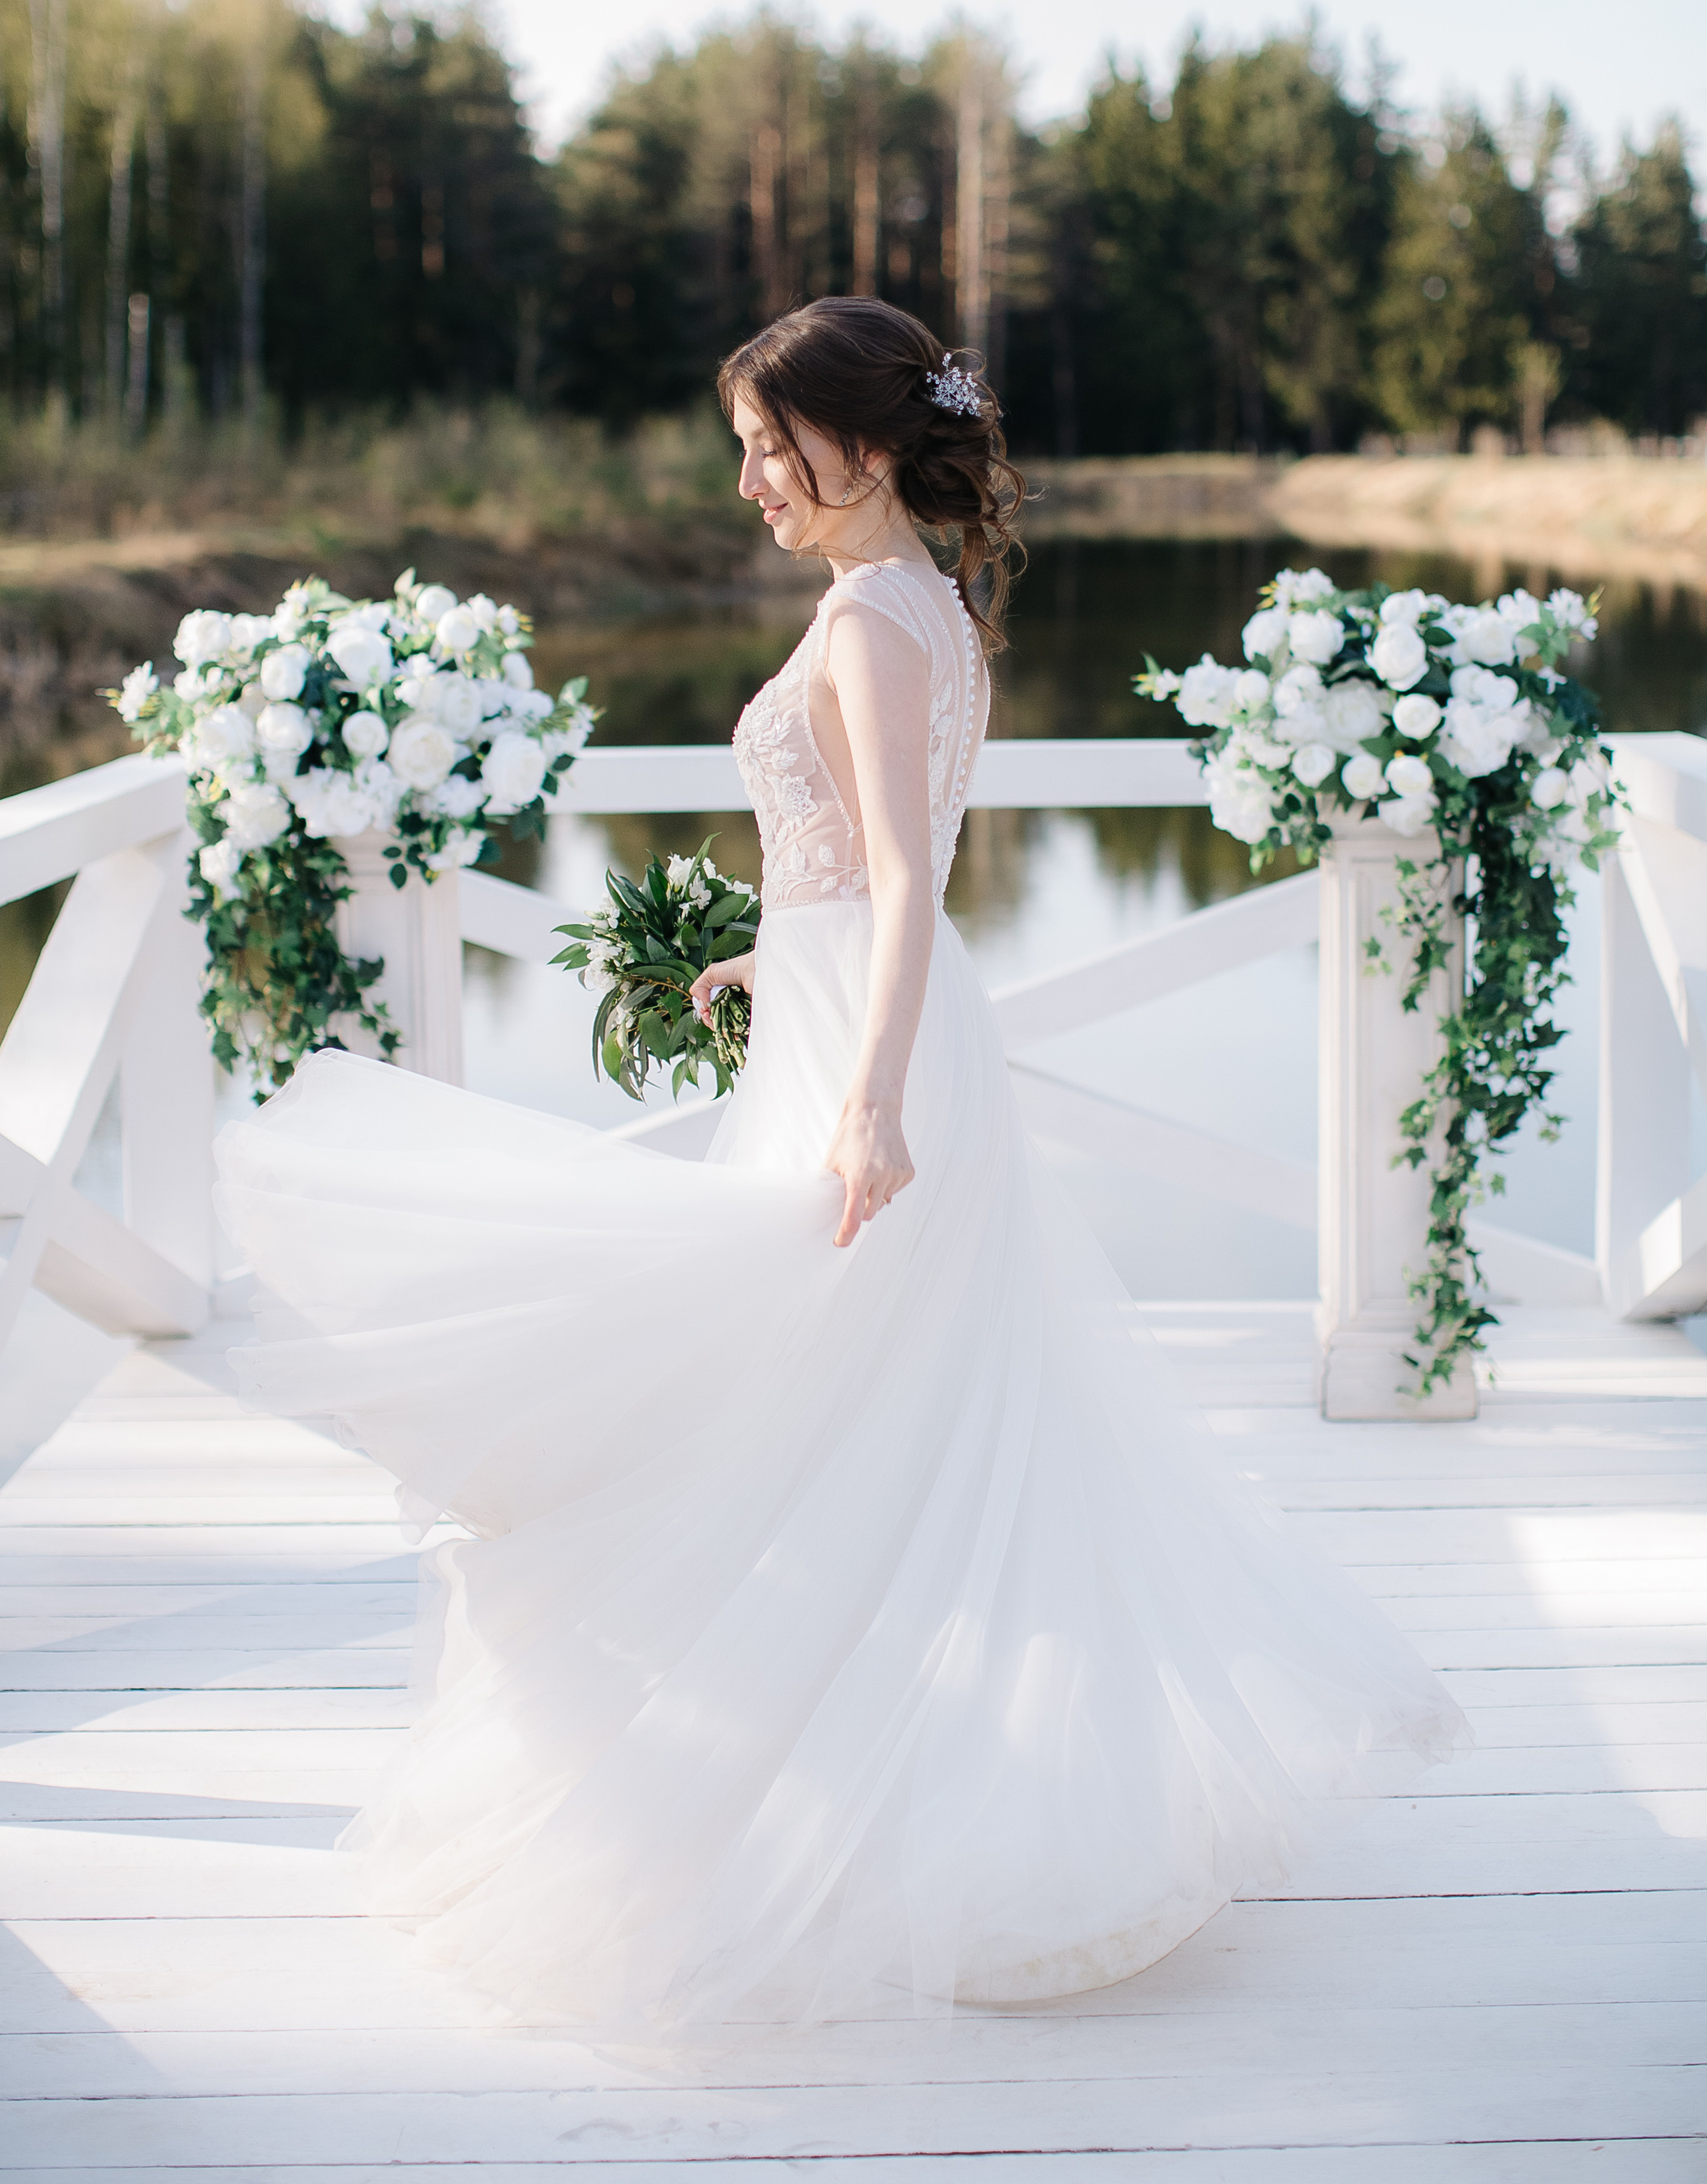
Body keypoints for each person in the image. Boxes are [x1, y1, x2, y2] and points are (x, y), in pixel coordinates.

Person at [216, 296, 1465, 2035]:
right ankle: (902, 1791)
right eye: (743, 451)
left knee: (809, 1413)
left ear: (863, 446)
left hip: (872, 1061)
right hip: (851, 1021)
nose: (749, 481)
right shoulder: (921, 602)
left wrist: (869, 1103)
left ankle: (876, 1817)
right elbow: (866, 872)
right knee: (867, 1419)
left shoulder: (875, 618)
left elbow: (902, 881)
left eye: (770, 448)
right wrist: (769, 950)